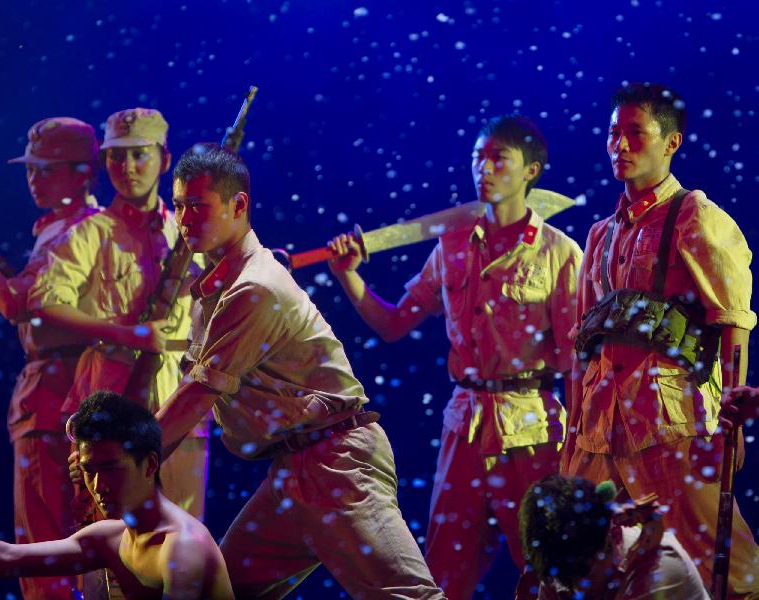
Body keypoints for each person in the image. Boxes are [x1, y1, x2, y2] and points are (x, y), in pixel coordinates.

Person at [151, 143, 444, 599]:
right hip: (295, 468)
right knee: (220, 593)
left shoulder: (254, 288)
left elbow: (197, 392)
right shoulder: (225, 285)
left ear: (239, 204)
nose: (185, 219)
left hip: (337, 465)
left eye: (198, 206)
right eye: (180, 205)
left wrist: (130, 454)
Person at [326, 114, 582, 598]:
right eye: (477, 158)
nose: (483, 169)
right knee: (441, 573)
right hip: (464, 425)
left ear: (531, 171)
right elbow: (395, 323)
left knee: (548, 572)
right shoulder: (454, 244)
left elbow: (577, 362)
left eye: (497, 159)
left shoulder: (559, 254)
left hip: (532, 428)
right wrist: (348, 276)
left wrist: (581, 454)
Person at [563, 82, 759, 596]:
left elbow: (733, 318)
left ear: (671, 142)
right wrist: (570, 434)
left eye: (635, 133)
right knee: (584, 567)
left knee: (728, 571)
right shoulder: (601, 234)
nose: (619, 146)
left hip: (670, 428)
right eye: (613, 134)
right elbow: (582, 342)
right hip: (599, 431)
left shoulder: (693, 215)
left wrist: (734, 412)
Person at [0, 391, 233, 600]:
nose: (98, 485)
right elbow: (5, 559)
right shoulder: (112, 538)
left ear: (150, 463)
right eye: (89, 470)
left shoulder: (183, 551)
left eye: (111, 468)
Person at [28, 108, 208, 519]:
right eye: (115, 156)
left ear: (164, 160)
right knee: (108, 535)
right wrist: (127, 334)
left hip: (180, 396)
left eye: (138, 154)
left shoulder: (188, 230)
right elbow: (44, 302)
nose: (126, 167)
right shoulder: (91, 232)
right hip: (110, 391)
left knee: (184, 534)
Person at [0, 116, 101, 599]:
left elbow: (27, 309)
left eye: (48, 168)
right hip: (74, 388)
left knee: (45, 541)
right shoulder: (67, 228)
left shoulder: (79, 230)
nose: (34, 178)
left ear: (82, 173)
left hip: (56, 393)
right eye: (31, 169)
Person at [518, 474, 708, 599]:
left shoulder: (661, 566)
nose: (577, 591)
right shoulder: (562, 564)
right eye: (567, 582)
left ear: (614, 536)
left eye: (587, 575)